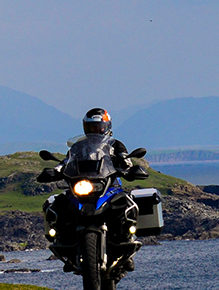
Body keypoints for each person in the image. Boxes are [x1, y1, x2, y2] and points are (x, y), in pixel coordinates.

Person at [37, 108, 150, 271]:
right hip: (83, 185)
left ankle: (127, 241)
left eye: (99, 127)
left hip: (109, 186)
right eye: (91, 127)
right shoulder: (78, 146)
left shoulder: (115, 144)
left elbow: (126, 161)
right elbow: (66, 161)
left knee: (126, 204)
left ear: (107, 127)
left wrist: (129, 170)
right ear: (85, 128)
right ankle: (64, 241)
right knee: (59, 204)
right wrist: (55, 170)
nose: (95, 130)